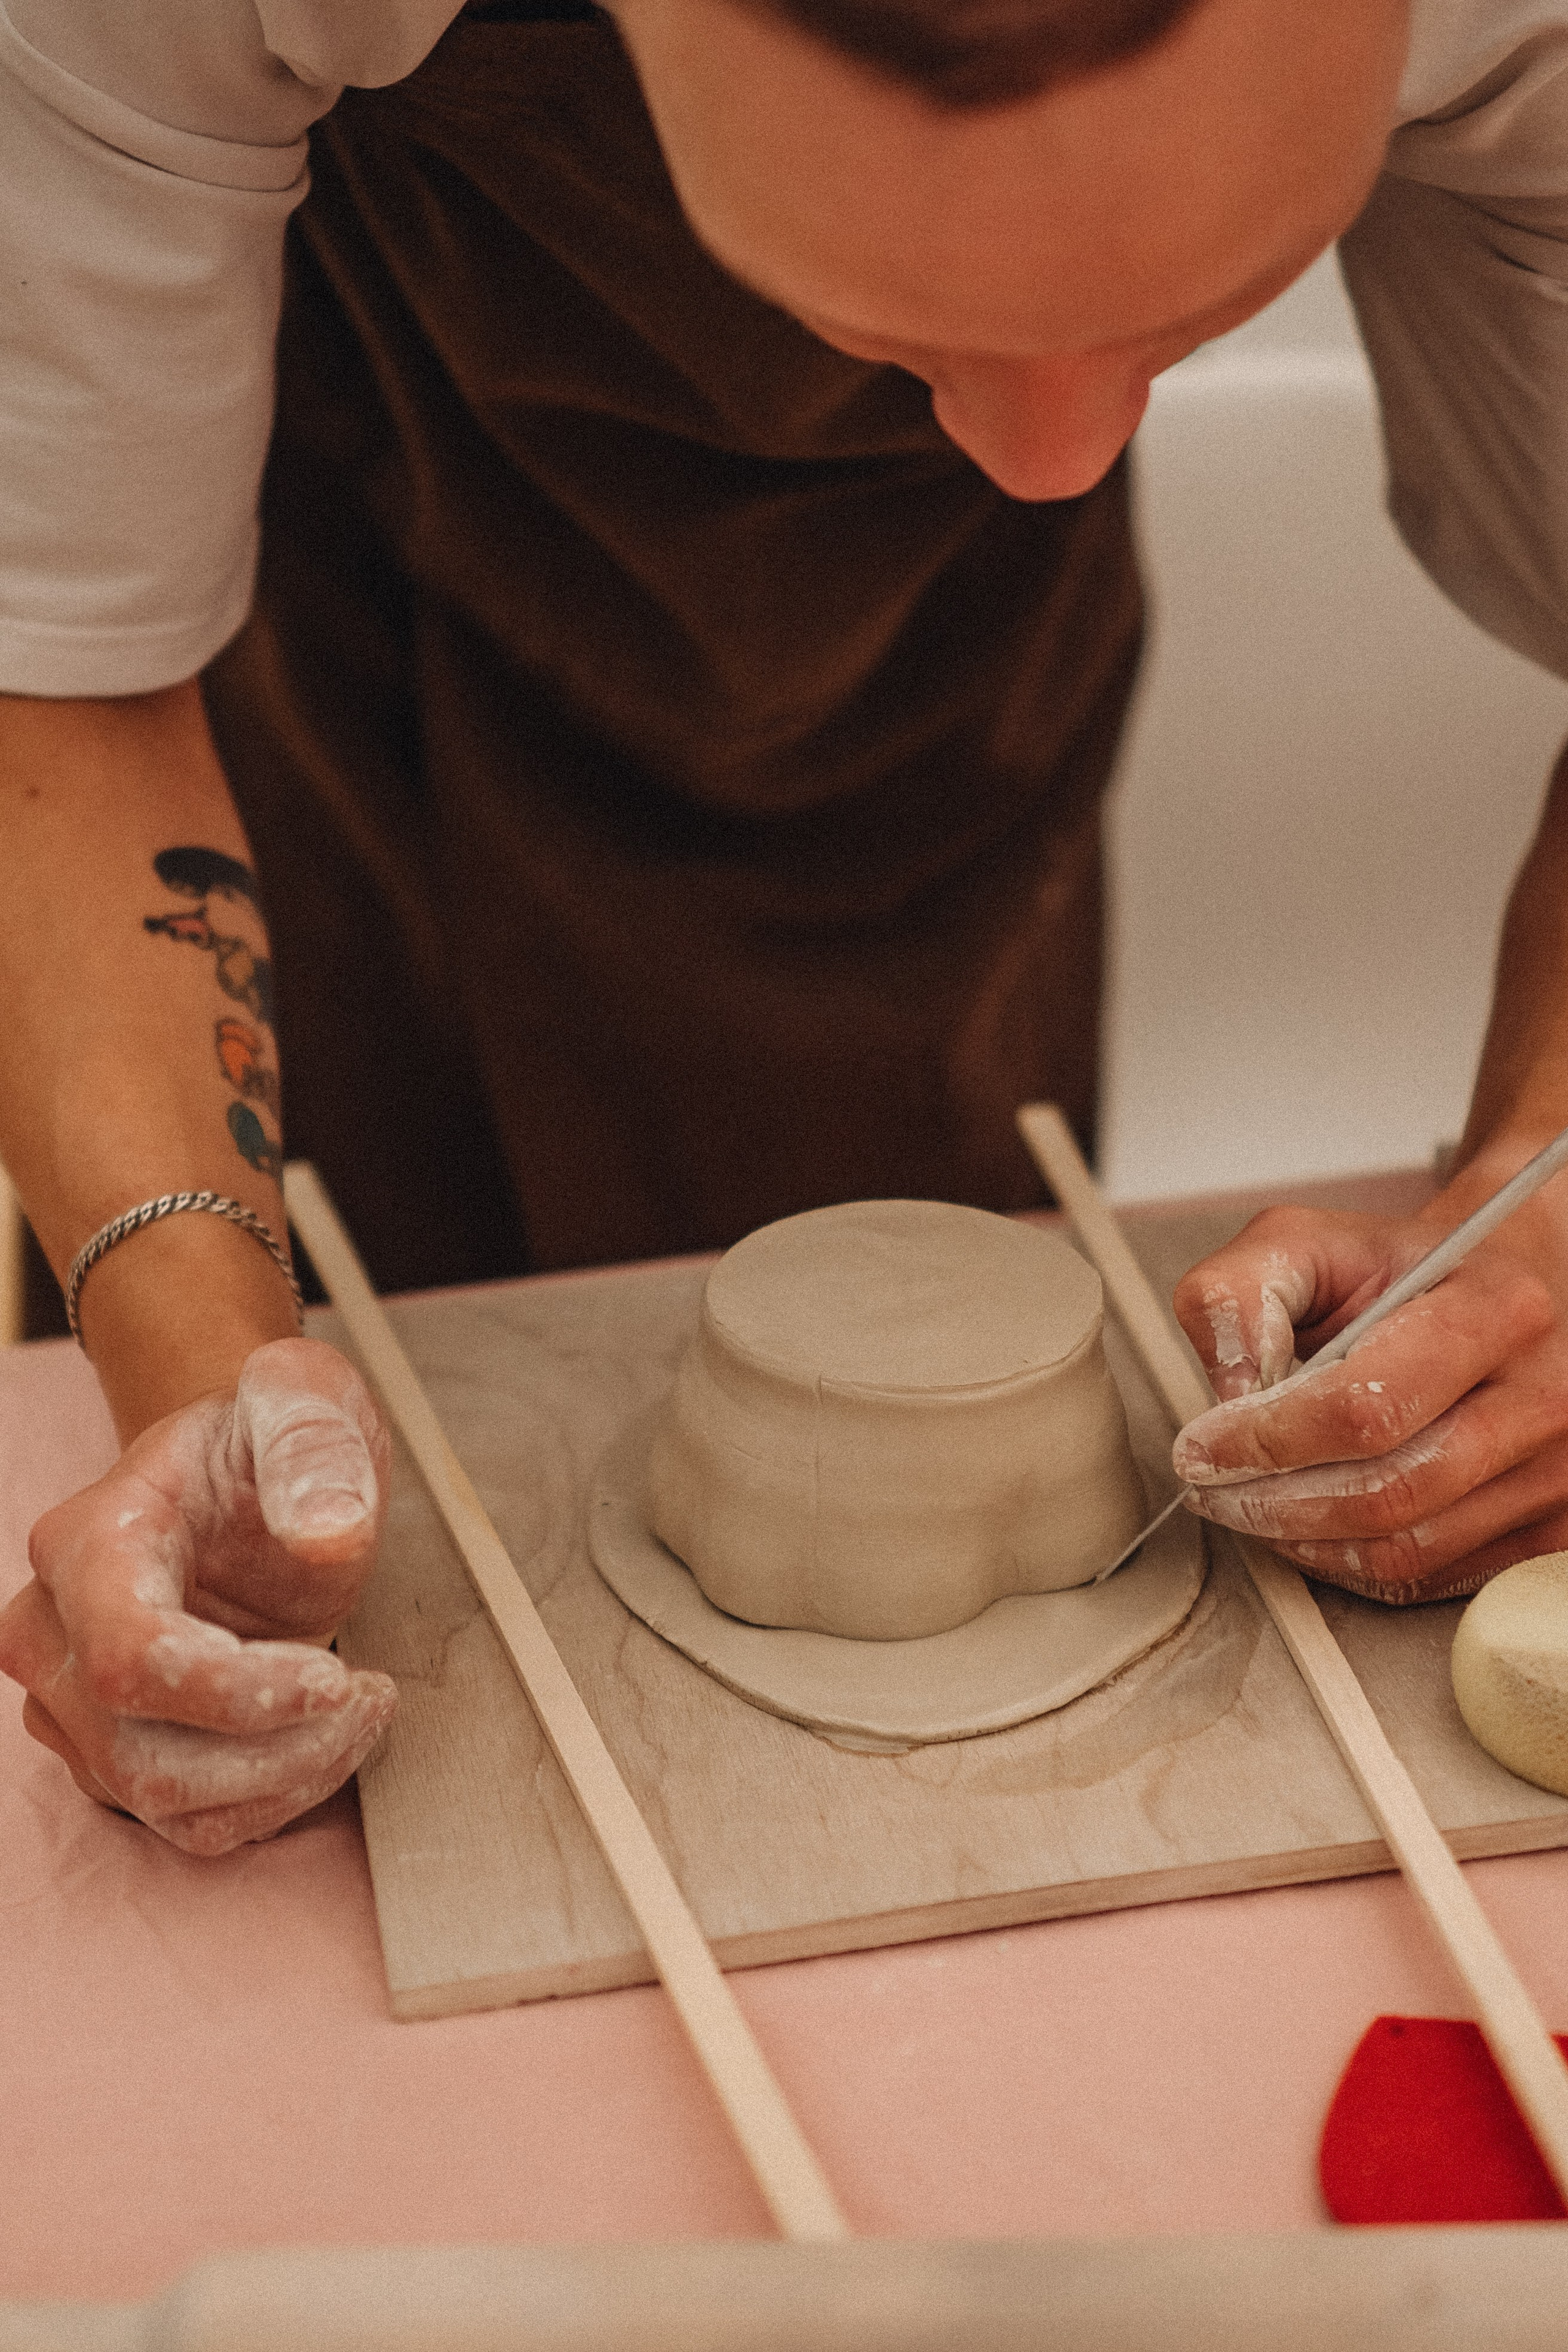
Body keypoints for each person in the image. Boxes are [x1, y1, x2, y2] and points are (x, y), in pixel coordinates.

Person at [4, 0, 1568, 1854]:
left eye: (1202, 307)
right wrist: (202, 1388)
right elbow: (59, 656)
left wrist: (1541, 1181)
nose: (1057, 458)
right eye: (892, 325)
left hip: (914, 686)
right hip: (344, 530)